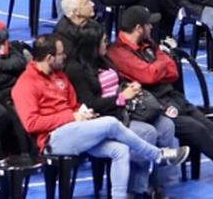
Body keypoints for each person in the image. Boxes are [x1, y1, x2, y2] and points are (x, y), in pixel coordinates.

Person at [108, 9, 213, 197]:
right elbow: (150, 74)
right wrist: (160, 62)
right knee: (197, 130)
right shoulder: (118, 53)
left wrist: (158, 64)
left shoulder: (148, 42)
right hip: (154, 105)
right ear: (138, 28)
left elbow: (173, 71)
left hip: (172, 96)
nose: (151, 26)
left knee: (210, 127)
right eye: (148, 24)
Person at [12, 32, 185, 199]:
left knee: (120, 150)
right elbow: (31, 124)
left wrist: (84, 113)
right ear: (49, 58)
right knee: (110, 123)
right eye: (60, 54)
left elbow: (74, 105)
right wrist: (72, 117)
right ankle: (157, 155)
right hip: (52, 139)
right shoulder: (26, 84)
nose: (65, 56)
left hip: (76, 130)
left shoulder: (60, 76)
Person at [62, 19, 182, 199]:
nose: (106, 43)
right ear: (92, 45)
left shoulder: (103, 58)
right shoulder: (76, 69)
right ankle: (138, 189)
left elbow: (117, 82)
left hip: (127, 108)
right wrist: (121, 97)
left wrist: (130, 88)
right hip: (106, 116)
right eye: (103, 41)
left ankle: (158, 182)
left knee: (166, 126)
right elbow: (90, 103)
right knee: (147, 132)